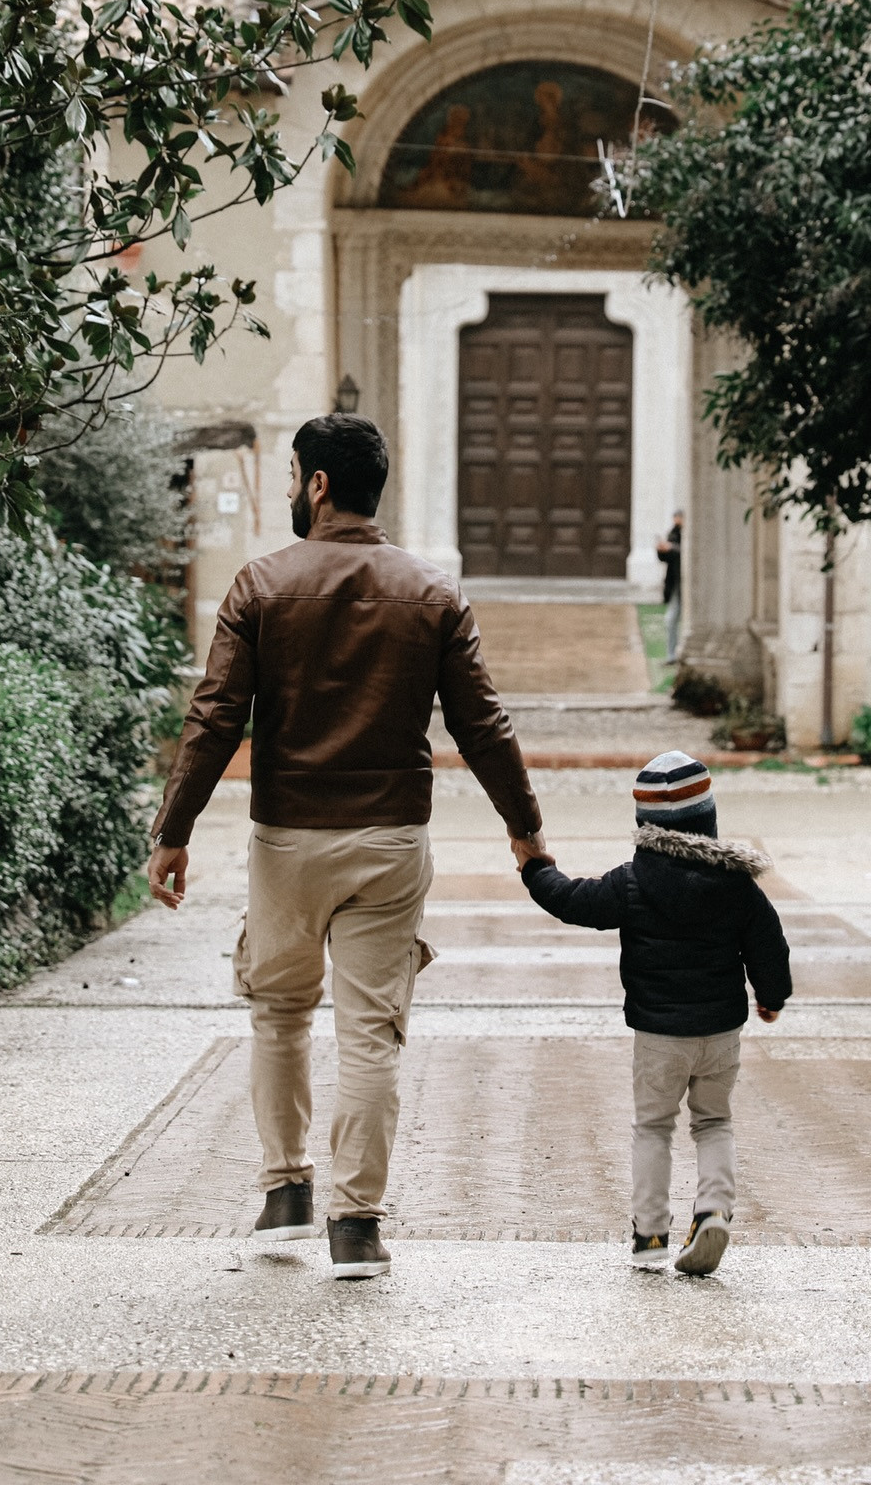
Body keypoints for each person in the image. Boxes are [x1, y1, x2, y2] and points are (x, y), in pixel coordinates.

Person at [147, 412, 545, 1281]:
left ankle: (284, 1188)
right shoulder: (433, 593)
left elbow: (215, 718)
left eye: (293, 476)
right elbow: (482, 724)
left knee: (279, 1012)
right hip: (390, 842)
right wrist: (524, 823)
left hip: (286, 841)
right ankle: (355, 1226)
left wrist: (173, 832)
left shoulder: (261, 585)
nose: (291, 489)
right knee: (372, 1034)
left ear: (319, 484)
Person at [513, 749, 789, 1275]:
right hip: (720, 1030)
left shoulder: (631, 882)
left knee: (653, 1127)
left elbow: (573, 901)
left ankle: (650, 1236)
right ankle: (713, 1210)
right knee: (714, 1122)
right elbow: (769, 944)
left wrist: (533, 867)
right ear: (708, 819)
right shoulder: (737, 885)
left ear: (644, 825)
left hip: (659, 1034)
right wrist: (771, 996)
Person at [657, 511, 683, 660]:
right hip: (675, 583)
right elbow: (666, 558)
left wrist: (672, 548)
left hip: (683, 584)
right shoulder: (673, 533)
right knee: (671, 619)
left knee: (674, 619)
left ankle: (674, 654)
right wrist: (661, 550)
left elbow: (685, 552)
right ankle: (671, 655)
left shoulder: (684, 534)